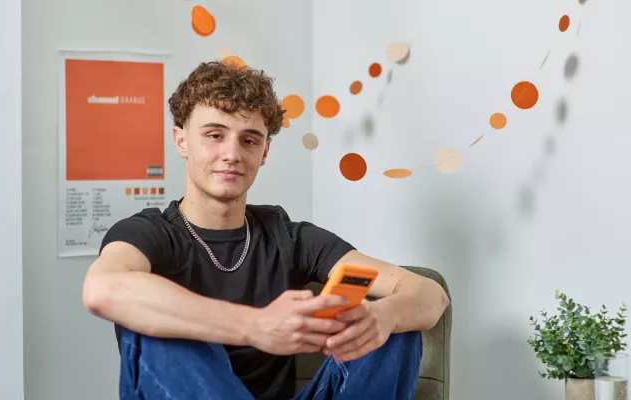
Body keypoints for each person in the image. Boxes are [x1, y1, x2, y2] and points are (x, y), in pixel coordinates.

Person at [82, 60, 450, 400]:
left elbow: (430, 295)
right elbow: (102, 290)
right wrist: (254, 325)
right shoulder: (148, 232)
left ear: (265, 151)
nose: (232, 153)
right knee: (159, 332)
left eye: (249, 139)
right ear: (182, 140)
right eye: (214, 134)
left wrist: (382, 318)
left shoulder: (287, 236)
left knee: (396, 326)